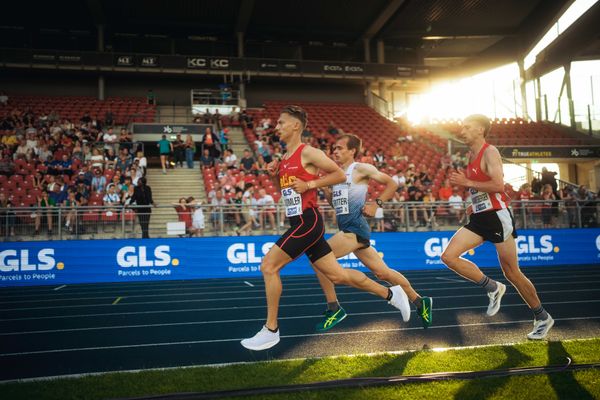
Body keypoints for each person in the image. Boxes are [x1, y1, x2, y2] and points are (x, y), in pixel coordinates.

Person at [241, 106, 410, 351]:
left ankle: (271, 330)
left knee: (269, 266)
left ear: (295, 126)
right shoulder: (285, 159)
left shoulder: (309, 152)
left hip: (307, 223)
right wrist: (276, 176)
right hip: (297, 219)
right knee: (338, 276)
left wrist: (310, 182)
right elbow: (289, 194)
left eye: (281, 123)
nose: (276, 127)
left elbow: (340, 174)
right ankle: (393, 295)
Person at [444, 114, 553, 340]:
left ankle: (542, 317)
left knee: (512, 272)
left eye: (467, 127)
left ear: (480, 130)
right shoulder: (471, 155)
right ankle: (492, 287)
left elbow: (498, 185)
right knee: (448, 257)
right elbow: (480, 189)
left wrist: (467, 183)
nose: (461, 130)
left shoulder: (489, 151)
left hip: (496, 216)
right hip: (480, 217)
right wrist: (472, 204)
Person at [312, 134, 432, 332]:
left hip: (355, 228)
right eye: (334, 148)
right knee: (382, 272)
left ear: (352, 151)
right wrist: (326, 192)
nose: (335, 151)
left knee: (319, 258)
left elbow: (392, 183)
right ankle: (420, 301)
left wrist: (377, 204)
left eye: (340, 148)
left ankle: (334, 307)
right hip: (349, 228)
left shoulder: (360, 168)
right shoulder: (338, 175)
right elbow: (338, 206)